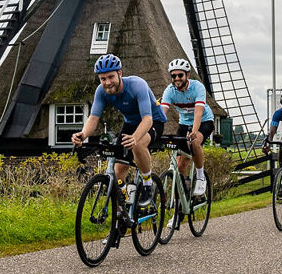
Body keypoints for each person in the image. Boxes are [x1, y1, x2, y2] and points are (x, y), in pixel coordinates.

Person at [71, 54, 166, 209]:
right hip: (130, 123)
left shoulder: (137, 85)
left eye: (111, 77)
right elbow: (93, 118)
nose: (107, 83)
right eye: (103, 79)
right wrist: (83, 135)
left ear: (120, 74)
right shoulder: (101, 91)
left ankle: (148, 185)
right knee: (118, 168)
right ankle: (123, 205)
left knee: (138, 144)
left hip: (153, 121)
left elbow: (147, 119)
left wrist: (135, 137)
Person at [159, 58, 213, 200]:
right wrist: (154, 131)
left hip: (204, 121)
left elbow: (198, 112)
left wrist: (194, 132)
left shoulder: (197, 87)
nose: (176, 78)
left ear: (187, 75)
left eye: (180, 75)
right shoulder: (169, 91)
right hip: (184, 124)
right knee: (180, 166)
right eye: (173, 76)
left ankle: (201, 178)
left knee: (194, 142)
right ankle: (180, 207)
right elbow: (162, 113)